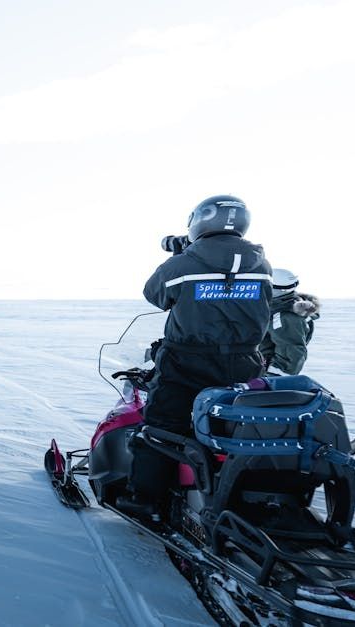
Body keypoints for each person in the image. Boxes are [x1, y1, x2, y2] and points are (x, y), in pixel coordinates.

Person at [120, 195, 273, 520]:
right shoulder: (261, 264)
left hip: (187, 363)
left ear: (199, 221)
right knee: (235, 427)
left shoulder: (182, 265)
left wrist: (183, 253)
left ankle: (145, 500)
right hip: (245, 363)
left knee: (161, 426)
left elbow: (154, 294)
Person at [258, 268, 321, 375]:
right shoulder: (274, 308)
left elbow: (291, 352)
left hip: (267, 374)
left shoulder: (285, 317)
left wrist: (272, 377)